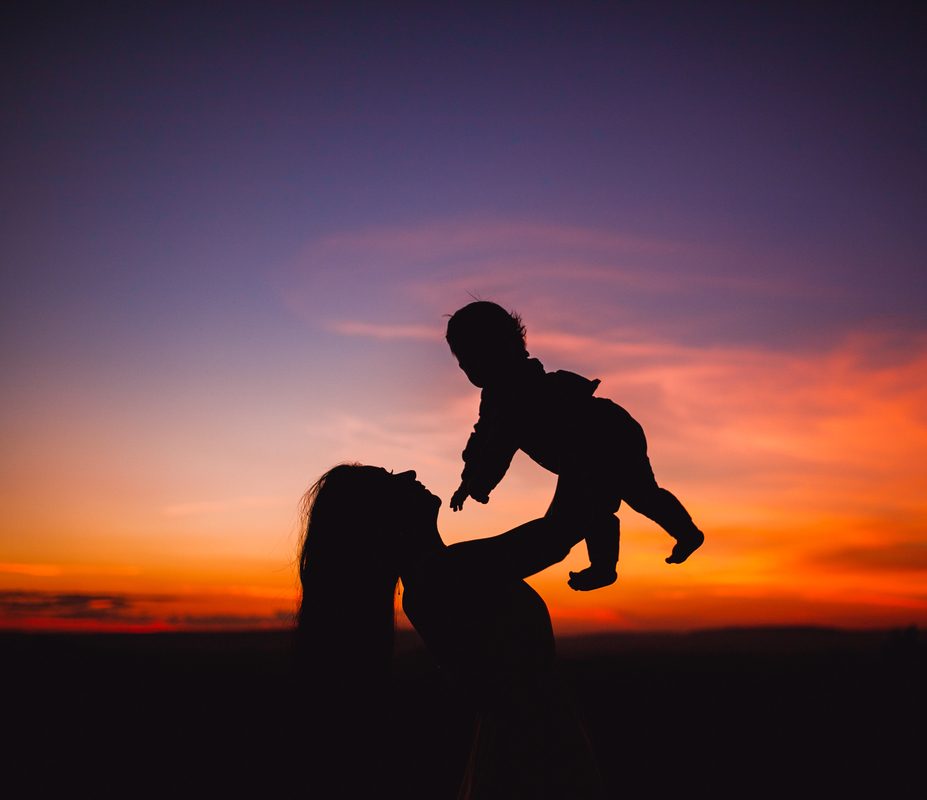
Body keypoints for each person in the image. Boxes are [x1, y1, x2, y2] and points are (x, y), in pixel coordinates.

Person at [296, 463, 604, 800]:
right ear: (379, 518)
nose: (409, 474)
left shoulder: (434, 577)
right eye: (389, 481)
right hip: (533, 754)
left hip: (524, 744)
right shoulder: (442, 575)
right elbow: (556, 535)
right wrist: (580, 452)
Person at [446, 300, 704, 591]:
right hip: (603, 433)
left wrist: (480, 483)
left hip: (599, 434)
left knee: (609, 501)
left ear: (500, 349)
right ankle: (680, 535)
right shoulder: (498, 394)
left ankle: (613, 563)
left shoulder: (518, 388)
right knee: (626, 496)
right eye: (463, 363)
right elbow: (482, 437)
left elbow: (501, 440)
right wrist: (467, 480)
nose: (469, 369)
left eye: (472, 358)